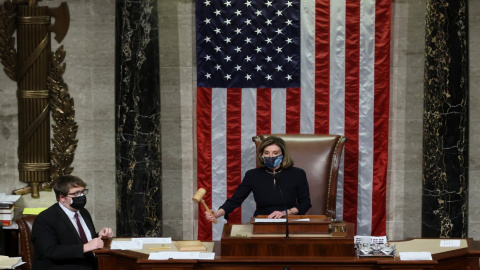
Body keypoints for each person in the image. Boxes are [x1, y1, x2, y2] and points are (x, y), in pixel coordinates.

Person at [206, 136, 312, 222]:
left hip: (290, 220)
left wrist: (285, 212)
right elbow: (235, 200)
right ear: (261, 155)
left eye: (275, 153)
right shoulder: (252, 175)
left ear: (283, 154)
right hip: (263, 221)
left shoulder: (297, 173)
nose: (271, 156)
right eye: (267, 153)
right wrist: (217, 213)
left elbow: (305, 203)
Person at [31, 175, 114, 270]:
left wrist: (100, 235)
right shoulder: (45, 219)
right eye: (76, 194)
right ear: (62, 198)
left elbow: (80, 239)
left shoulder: (83, 212)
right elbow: (50, 251)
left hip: (91, 265)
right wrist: (85, 247)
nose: (81, 196)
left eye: (82, 192)